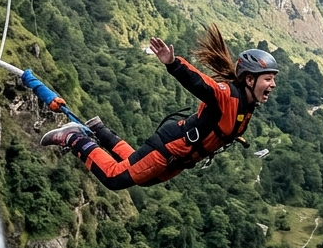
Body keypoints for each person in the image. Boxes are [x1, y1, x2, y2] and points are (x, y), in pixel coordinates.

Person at [40, 25, 279, 189]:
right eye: (268, 79)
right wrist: (173, 64)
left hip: (182, 158)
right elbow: (201, 85)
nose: (273, 84)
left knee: (139, 177)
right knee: (115, 177)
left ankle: (99, 130)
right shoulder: (229, 96)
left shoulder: (247, 107)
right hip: (171, 147)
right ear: (249, 79)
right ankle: (72, 137)